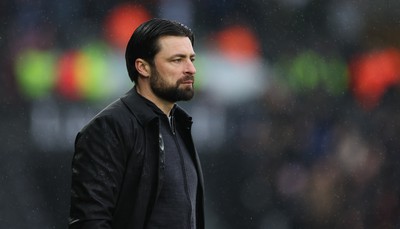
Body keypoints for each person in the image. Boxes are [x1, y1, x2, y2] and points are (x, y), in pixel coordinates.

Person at [69, 18, 205, 229]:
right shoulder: (109, 128)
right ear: (143, 67)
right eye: (177, 60)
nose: (191, 69)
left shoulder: (179, 125)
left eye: (191, 59)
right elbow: (90, 221)